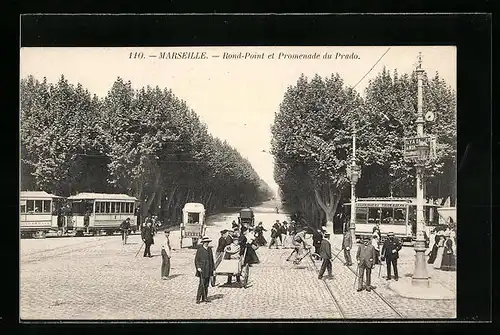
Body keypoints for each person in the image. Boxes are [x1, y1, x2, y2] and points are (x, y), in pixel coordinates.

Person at [194, 236, 215, 304]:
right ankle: (198, 299)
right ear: (203, 243)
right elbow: (196, 260)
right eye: (205, 242)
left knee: (206, 284)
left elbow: (212, 260)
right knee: (201, 284)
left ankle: (205, 297)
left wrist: (213, 269)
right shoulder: (200, 249)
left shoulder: (209, 249)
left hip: (208, 269)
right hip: (202, 269)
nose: (206, 243)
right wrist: (198, 267)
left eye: (207, 242)